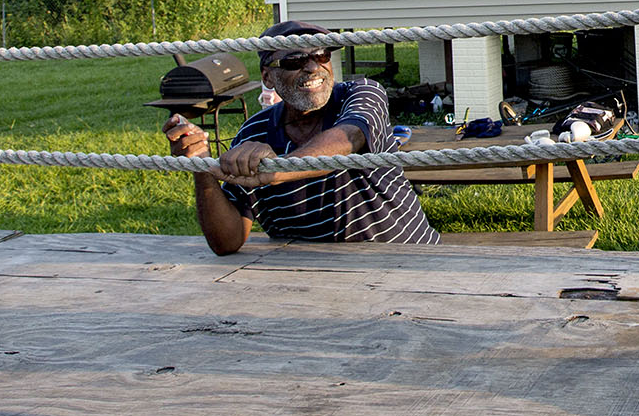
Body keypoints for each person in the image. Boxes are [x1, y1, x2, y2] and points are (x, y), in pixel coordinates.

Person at [163, 20, 439, 255]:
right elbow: (227, 241)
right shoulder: (253, 133)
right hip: (308, 275)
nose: (312, 68)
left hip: (407, 256)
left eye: (321, 56)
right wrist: (201, 167)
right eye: (295, 60)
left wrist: (276, 171)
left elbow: (348, 138)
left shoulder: (363, 93)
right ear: (268, 77)